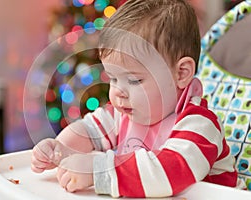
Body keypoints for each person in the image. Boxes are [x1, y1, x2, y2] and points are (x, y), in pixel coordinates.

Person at [31, 0, 238, 198]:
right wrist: (60, 151)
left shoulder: (199, 125)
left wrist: (98, 171)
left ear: (181, 73)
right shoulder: (124, 114)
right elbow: (88, 130)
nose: (118, 91)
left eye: (133, 80)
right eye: (112, 78)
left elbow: (170, 173)